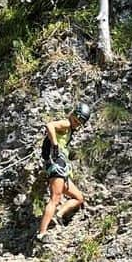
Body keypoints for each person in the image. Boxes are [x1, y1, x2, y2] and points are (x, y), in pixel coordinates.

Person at [35, 101, 90, 244]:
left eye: (79, 123)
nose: (76, 123)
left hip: (62, 168)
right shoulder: (66, 124)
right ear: (72, 115)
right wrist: (55, 146)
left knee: (78, 197)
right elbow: (50, 126)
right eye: (75, 120)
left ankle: (57, 215)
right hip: (56, 165)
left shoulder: (70, 129)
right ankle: (42, 233)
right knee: (55, 198)